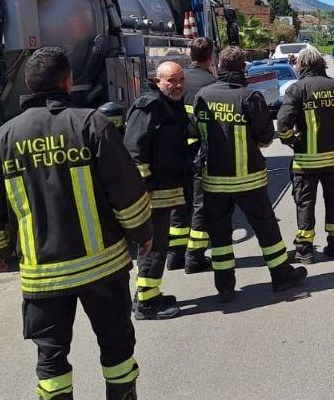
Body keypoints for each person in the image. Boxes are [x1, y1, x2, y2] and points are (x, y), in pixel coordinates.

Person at [0, 46, 155, 400]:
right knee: (116, 345)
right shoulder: (91, 124)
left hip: (42, 275)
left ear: (28, 86)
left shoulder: (4, 138)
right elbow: (125, 192)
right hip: (102, 267)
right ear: (67, 81)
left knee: (51, 358)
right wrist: (142, 234)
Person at [191, 46, 308, 303]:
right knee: (266, 229)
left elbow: (197, 132)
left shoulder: (203, 95)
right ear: (243, 67)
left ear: (219, 67)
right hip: (248, 179)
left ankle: (224, 288)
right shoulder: (250, 97)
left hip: (213, 181)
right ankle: (280, 275)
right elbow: (266, 140)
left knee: (220, 236)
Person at [276, 45, 334, 263]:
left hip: (305, 162)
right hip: (333, 160)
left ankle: (305, 251)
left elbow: (283, 126)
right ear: (321, 64)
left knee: (305, 204)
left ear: (302, 65)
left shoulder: (296, 89)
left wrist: (291, 140)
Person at [123, 61, 191, 320]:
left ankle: (147, 294)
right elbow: (134, 153)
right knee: (153, 246)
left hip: (167, 190)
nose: (177, 86)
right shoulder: (148, 107)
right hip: (153, 195)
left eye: (180, 80)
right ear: (157, 80)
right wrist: (144, 192)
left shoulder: (169, 106)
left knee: (158, 245)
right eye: (171, 81)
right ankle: (146, 305)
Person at [178, 38, 219, 274]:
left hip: (175, 153)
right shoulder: (212, 85)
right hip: (200, 154)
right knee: (199, 205)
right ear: (210, 56)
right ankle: (194, 256)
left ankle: (175, 255)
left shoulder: (177, 80)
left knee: (178, 205)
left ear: (189, 54)